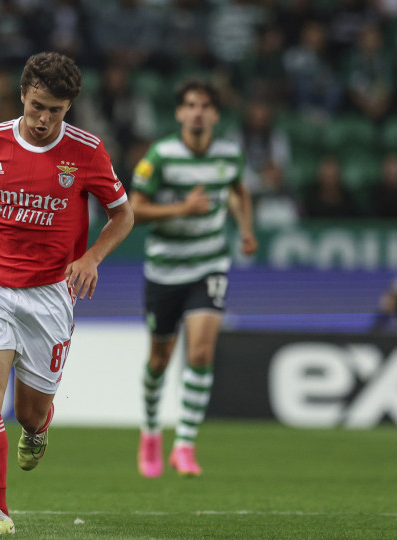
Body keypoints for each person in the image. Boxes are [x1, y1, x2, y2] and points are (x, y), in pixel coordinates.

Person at [0, 52, 134, 535]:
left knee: (29, 411)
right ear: (22, 94)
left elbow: (122, 215)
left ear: (70, 108)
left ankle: (38, 429)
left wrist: (90, 258)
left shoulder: (87, 152)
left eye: (56, 111)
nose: (44, 120)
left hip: (49, 294)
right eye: (38, 106)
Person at [130, 80, 257, 478]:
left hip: (209, 264)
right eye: (190, 105)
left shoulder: (229, 154)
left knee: (200, 352)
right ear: (180, 113)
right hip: (165, 269)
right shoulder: (161, 156)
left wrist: (246, 229)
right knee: (159, 360)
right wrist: (183, 208)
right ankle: (151, 431)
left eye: (205, 106)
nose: (197, 112)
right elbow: (134, 210)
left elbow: (238, 191)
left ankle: (184, 444)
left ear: (216, 115)